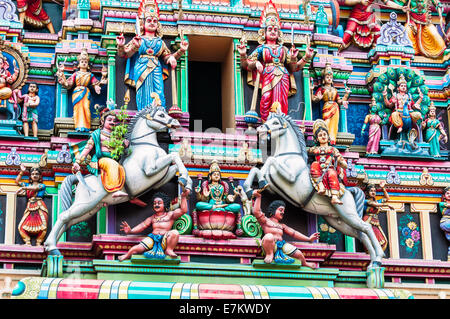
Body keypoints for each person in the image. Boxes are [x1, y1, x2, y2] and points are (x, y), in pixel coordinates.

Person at [237, 0, 313, 122]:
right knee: (266, 100)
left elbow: (294, 68)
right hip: (268, 76)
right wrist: (244, 56)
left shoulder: (283, 49)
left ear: (279, 33)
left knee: (281, 102)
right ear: (264, 32)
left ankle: (280, 123)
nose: (273, 31)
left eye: (275, 30)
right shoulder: (261, 48)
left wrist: (305, 57)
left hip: (283, 77)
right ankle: (267, 124)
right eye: (270, 29)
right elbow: (246, 66)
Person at [116, 0, 188, 110]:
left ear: (158, 24)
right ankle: (143, 114)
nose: (152, 22)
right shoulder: (138, 40)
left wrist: (181, 51)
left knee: (159, 92)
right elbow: (125, 54)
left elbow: (168, 58)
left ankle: (159, 114)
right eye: (149, 20)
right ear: (143, 23)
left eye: (155, 21)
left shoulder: (160, 42)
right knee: (143, 92)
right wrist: (121, 46)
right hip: (141, 67)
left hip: (156, 68)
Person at [71, 104, 129, 198]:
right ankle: (115, 190)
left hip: (114, 159)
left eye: (114, 121)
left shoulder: (117, 136)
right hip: (101, 160)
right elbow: (88, 148)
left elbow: (120, 151)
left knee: (120, 167)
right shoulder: (97, 134)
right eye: (109, 120)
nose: (112, 122)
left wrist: (124, 145)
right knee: (112, 164)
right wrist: (78, 162)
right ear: (103, 121)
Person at [251, 191, 319, 268]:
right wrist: (258, 197)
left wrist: (309, 239)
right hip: (270, 245)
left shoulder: (282, 226)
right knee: (269, 236)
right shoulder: (265, 220)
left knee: (299, 253)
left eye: (283, 210)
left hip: (281, 245)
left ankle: (305, 263)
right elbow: (256, 212)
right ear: (273, 210)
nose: (283, 212)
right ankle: (269, 254)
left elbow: (294, 233)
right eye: (280, 210)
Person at [118, 189, 190, 261]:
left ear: (164, 204)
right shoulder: (152, 218)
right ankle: (126, 255)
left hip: (165, 239)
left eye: (159, 203)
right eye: (155, 203)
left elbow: (183, 210)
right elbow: (142, 226)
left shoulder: (170, 214)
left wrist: (183, 197)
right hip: (152, 239)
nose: (156, 205)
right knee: (137, 248)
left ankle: (169, 250)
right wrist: (130, 231)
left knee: (175, 232)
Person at [56, 49, 107, 132]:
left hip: (86, 93)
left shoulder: (90, 75)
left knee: (86, 108)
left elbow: (97, 84)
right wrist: (62, 74)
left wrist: (103, 77)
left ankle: (86, 127)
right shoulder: (76, 74)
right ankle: (79, 127)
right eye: (82, 61)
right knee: (78, 109)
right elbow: (68, 84)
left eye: (85, 62)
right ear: (79, 64)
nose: (84, 63)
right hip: (77, 92)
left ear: (88, 65)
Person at [338, 0, 407, 51]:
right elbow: (346, 1)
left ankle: (376, 51)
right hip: (356, 15)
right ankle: (337, 50)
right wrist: (359, 1)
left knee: (379, 31)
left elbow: (387, 2)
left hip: (368, 17)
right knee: (349, 31)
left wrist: (400, 7)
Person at [309, 120, 348, 205]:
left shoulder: (333, 149)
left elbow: (342, 161)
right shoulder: (314, 149)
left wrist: (341, 162)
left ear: (328, 136)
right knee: (314, 164)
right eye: (320, 135)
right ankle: (321, 187)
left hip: (329, 169)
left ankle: (334, 196)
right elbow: (304, 150)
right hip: (319, 170)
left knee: (332, 173)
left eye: (324, 134)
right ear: (317, 139)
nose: (323, 137)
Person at [312, 63, 351, 145]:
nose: (329, 79)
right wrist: (315, 96)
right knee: (326, 123)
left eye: (330, 77)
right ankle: (324, 139)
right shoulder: (321, 89)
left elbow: (339, 101)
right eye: (327, 77)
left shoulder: (335, 90)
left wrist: (346, 94)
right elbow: (314, 99)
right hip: (326, 107)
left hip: (335, 107)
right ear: (324, 79)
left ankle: (332, 140)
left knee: (334, 125)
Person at [15, 163, 48, 246]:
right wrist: (22, 172)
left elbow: (36, 188)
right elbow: (17, 181)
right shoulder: (27, 185)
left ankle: (39, 242)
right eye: (32, 174)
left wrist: (23, 188)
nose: (35, 175)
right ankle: (27, 242)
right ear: (30, 176)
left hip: (40, 205)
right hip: (30, 206)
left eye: (37, 174)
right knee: (21, 226)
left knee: (43, 226)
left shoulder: (42, 185)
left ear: (40, 176)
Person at [363, 182, 394, 252]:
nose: (373, 193)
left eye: (374, 191)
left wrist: (383, 188)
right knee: (370, 238)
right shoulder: (366, 201)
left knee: (382, 240)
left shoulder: (378, 201)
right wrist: (387, 205)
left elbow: (387, 198)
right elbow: (375, 205)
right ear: (367, 193)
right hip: (368, 221)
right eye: (371, 191)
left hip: (375, 222)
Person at [439, 186, 450, 258]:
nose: (449, 195)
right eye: (448, 193)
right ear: (444, 196)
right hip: (445, 222)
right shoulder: (442, 204)